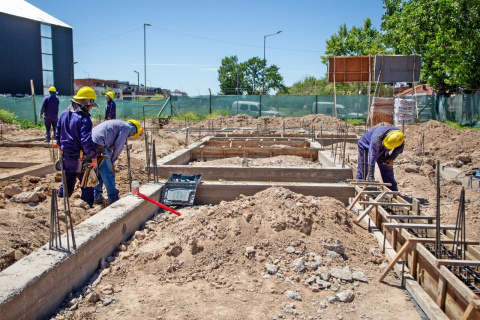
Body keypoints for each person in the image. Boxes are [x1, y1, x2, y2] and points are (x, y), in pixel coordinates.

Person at [55, 86, 98, 207]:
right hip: (81, 158)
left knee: (66, 184)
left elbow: (57, 135)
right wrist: (93, 157)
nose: (91, 108)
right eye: (91, 105)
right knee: (88, 185)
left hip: (66, 156)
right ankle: (87, 209)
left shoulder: (63, 114)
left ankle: (61, 207)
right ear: (86, 104)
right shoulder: (84, 119)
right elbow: (86, 141)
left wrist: (62, 147)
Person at [92, 119, 143, 205]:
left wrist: (112, 161)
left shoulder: (118, 125)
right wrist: (112, 161)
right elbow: (118, 146)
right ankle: (113, 198)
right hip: (99, 145)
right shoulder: (126, 127)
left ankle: (97, 196)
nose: (130, 135)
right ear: (133, 128)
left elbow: (110, 148)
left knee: (99, 172)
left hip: (91, 143)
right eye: (133, 133)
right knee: (108, 172)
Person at [356, 126, 405, 191]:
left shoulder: (399, 138)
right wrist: (370, 176)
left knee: (387, 166)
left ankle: (392, 191)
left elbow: (399, 149)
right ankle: (360, 186)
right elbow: (372, 157)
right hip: (365, 146)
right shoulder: (376, 138)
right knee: (364, 167)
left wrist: (391, 158)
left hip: (383, 149)